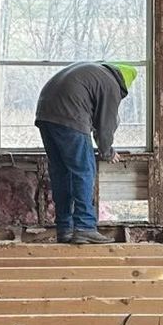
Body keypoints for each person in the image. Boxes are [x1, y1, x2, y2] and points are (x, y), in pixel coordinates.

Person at [34, 60, 136, 244]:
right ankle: (84, 227)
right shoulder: (112, 85)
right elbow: (105, 126)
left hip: (45, 114)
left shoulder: (93, 72)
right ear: (124, 86)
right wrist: (107, 152)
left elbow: (96, 119)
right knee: (84, 172)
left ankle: (64, 228)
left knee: (61, 172)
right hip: (70, 116)